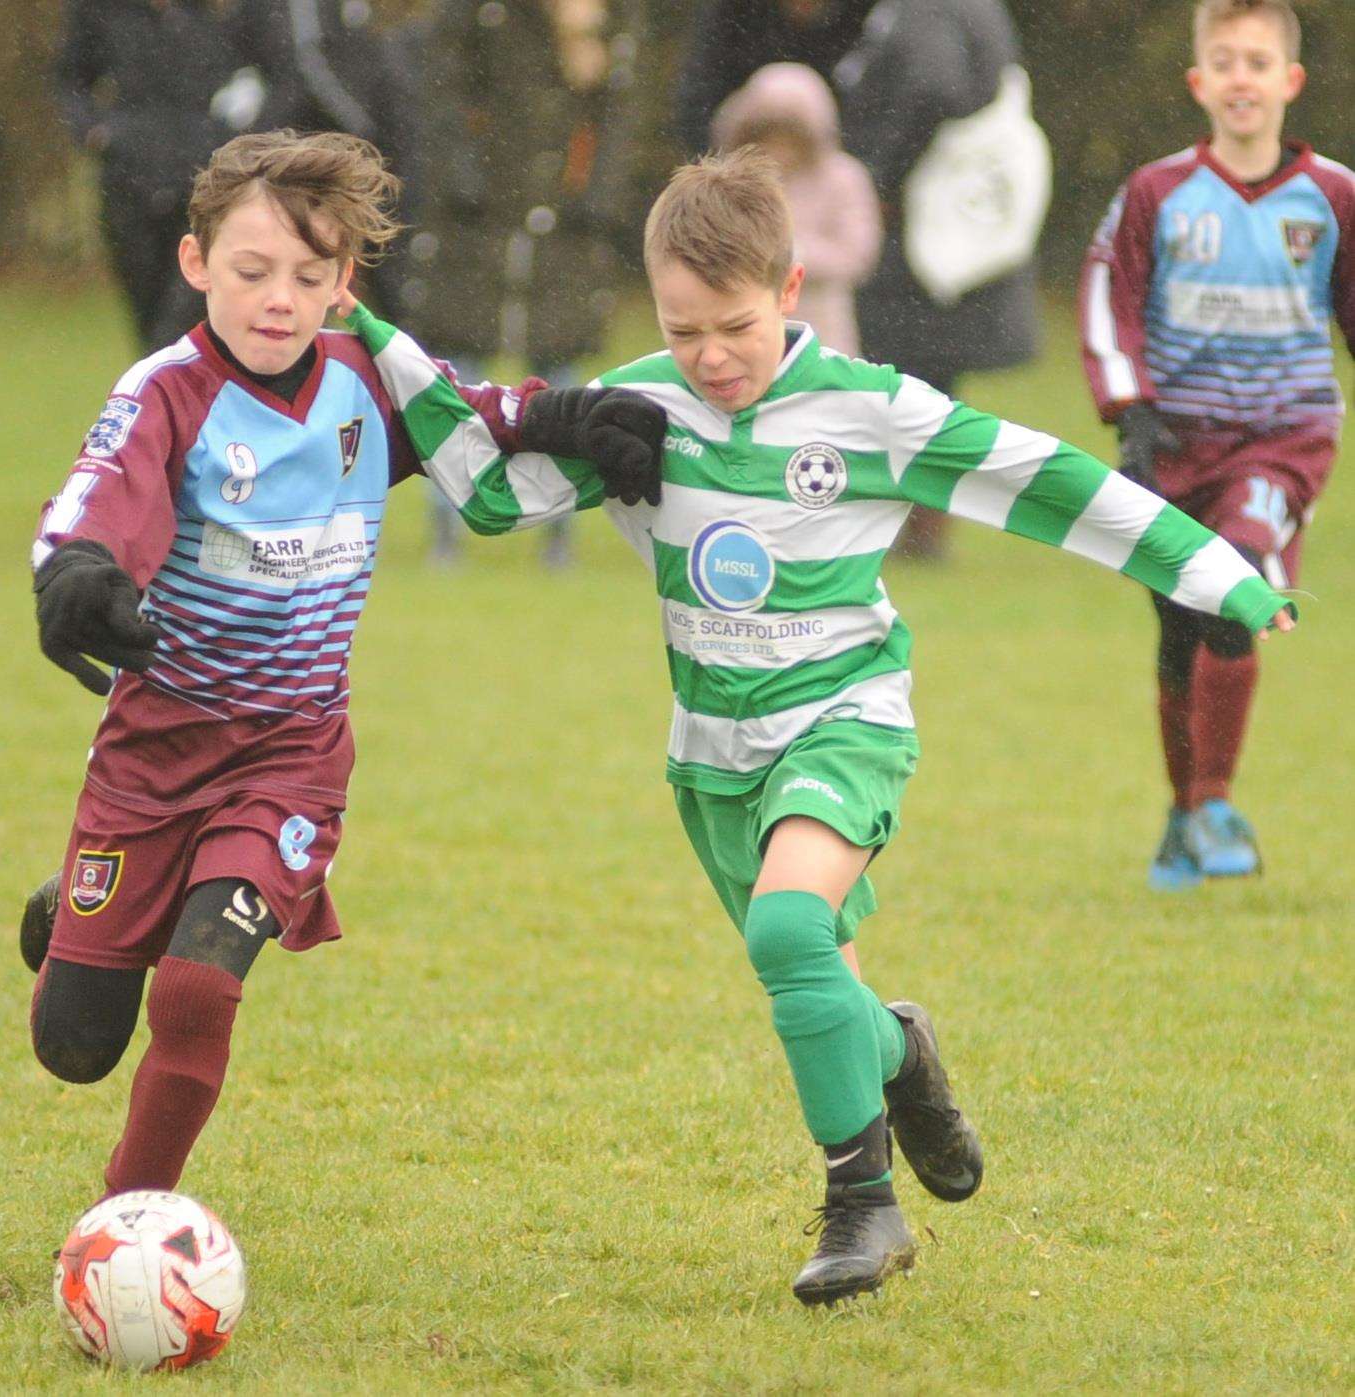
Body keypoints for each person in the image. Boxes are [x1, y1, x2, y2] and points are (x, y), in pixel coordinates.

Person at [356, 148, 1296, 1306]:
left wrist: (1217, 571)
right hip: (710, 754)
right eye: (681, 326)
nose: (709, 356)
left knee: (789, 931)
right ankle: (901, 1050)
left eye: (734, 326)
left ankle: (862, 1207)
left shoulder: (870, 409)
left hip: (845, 721)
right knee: (807, 977)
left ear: (791, 288)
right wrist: (373, 337)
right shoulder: (641, 403)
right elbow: (490, 492)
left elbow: (1045, 480)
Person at [17, 130, 662, 1200]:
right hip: (152, 756)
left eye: (309, 278)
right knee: (76, 1043)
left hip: (291, 755)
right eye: (252, 272)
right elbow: (100, 499)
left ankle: (126, 1226)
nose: (280, 300)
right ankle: (71, 916)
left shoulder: (367, 379)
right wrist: (81, 573)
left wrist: (570, 419)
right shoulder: (167, 393)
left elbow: (477, 420)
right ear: (195, 264)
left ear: (343, 283)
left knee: (195, 990)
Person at [1079, 0, 1352, 891]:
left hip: (1286, 437)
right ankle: (1184, 811)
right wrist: (1132, 407)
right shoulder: (1157, 192)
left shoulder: (1335, 197)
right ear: (1199, 82)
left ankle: (1217, 798)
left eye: (1258, 61)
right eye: (1225, 61)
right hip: (1178, 442)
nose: (1242, 77)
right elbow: (1107, 294)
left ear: (1289, 81)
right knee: (1176, 623)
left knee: (1233, 585)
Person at [678, 0, 1047, 560]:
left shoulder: (930, 15)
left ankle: (908, 527)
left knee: (907, 389)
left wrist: (873, 169)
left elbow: (932, 84)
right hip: (937, 235)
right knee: (901, 391)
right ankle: (880, 523)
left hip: (926, 238)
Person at [401, 0, 643, 566]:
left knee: (559, 379)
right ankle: (449, 524)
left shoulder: (608, 22)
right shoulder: (478, 17)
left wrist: (596, 201)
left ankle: (557, 528)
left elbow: (618, 121)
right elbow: (441, 90)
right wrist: (463, 172)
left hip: (566, 231)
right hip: (474, 226)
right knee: (459, 378)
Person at [54, 0, 414, 354]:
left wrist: (230, 135)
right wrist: (97, 132)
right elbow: (69, 79)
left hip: (202, 181)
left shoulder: (218, 14)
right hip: (130, 181)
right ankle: (172, 398)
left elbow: (263, 73)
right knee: (151, 322)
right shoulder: (101, 11)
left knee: (184, 321)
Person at [710, 62, 880, 356]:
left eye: (789, 138)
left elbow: (858, 253)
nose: (779, 150)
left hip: (821, 325)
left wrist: (792, 255)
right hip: (742, 322)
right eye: (767, 137)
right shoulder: (731, 180)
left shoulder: (844, 178)